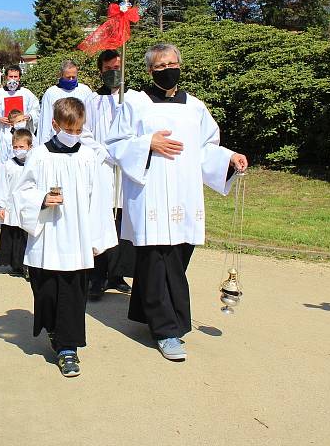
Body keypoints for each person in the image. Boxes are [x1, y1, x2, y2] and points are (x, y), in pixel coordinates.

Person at [106, 43, 248, 362]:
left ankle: (148, 312)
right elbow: (114, 145)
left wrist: (230, 158)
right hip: (150, 194)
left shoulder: (194, 107)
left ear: (180, 65)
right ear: (149, 71)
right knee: (157, 260)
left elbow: (206, 148)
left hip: (185, 197)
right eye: (159, 66)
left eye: (172, 63)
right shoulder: (134, 103)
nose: (167, 69)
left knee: (177, 257)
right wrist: (147, 143)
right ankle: (168, 330)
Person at [13, 98, 117, 377]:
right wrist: (42, 198)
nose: (74, 135)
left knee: (72, 293)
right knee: (46, 292)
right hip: (46, 237)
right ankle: (52, 330)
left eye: (79, 130)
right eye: (69, 129)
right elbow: (22, 191)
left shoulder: (87, 157)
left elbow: (99, 198)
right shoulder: (39, 156)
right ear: (55, 125)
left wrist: (97, 239)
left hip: (77, 238)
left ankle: (68, 348)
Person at [85, 49, 135, 299]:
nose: (113, 73)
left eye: (117, 67)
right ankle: (97, 276)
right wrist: (104, 152)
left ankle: (117, 275)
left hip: (126, 168)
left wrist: (125, 152)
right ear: (101, 71)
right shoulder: (93, 101)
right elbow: (84, 132)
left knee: (123, 222)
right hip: (103, 167)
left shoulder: (134, 99)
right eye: (108, 69)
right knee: (102, 219)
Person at [0, 128, 33, 276]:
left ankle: (28, 265)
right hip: (11, 207)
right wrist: (1, 206)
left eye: (22, 147)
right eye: (15, 147)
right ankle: (16, 264)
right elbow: (1, 186)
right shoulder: (8, 165)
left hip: (28, 207)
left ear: (30, 147)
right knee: (14, 235)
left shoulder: (34, 164)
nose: (18, 150)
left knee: (27, 236)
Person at [0, 65, 40, 183]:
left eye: (16, 76)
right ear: (5, 77)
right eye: (10, 76)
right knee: (0, 164)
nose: (13, 79)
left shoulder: (26, 93)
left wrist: (29, 116)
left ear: (19, 78)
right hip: (2, 132)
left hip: (20, 133)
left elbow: (36, 109)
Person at [35, 59, 94, 146]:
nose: (71, 80)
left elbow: (90, 118)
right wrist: (44, 145)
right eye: (68, 77)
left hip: (81, 140)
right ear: (61, 75)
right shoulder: (51, 93)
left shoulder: (85, 91)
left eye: (73, 77)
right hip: (58, 141)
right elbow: (45, 121)